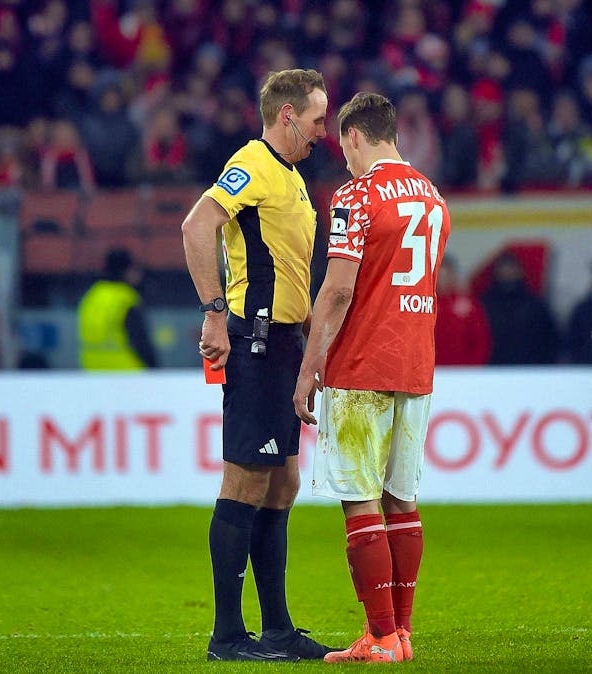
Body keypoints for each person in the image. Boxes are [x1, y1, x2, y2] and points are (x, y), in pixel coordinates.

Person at [180, 68, 333, 662]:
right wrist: (215, 312)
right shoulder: (252, 163)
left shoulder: (290, 176)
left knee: (284, 481)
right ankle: (226, 635)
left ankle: (275, 629)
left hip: (284, 344)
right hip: (257, 341)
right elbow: (197, 226)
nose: (325, 130)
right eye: (319, 118)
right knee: (245, 480)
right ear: (288, 115)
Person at [293, 91, 451, 663]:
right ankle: (401, 633)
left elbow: (337, 290)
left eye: (344, 147)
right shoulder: (433, 198)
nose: (345, 158)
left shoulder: (356, 195)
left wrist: (310, 367)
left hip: (362, 362)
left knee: (359, 500)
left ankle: (379, 635)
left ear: (355, 136)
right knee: (401, 500)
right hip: (416, 361)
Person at [78, 248, 157, 370]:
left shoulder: (92, 295)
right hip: (126, 372)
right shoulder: (125, 298)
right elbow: (140, 341)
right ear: (127, 270)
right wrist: (154, 368)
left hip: (92, 369)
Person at [480, 251, 560, 365]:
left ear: (520, 271)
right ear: (496, 272)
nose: (507, 273)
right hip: (494, 371)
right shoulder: (485, 304)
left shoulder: (535, 304)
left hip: (530, 371)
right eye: (503, 269)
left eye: (511, 268)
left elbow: (551, 339)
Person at [435, 255, 491, 366]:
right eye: (440, 276)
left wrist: (472, 368)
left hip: (463, 373)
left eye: (447, 275)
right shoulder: (424, 305)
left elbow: (481, 341)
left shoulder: (469, 305)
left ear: (454, 276)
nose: (443, 280)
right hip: (432, 372)